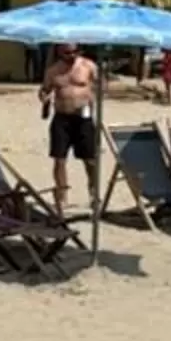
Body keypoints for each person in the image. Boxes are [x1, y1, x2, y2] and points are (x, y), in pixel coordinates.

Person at [42, 43, 101, 216]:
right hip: (62, 117)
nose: (72, 55)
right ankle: (62, 196)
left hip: (84, 117)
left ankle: (94, 193)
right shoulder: (53, 71)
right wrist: (44, 99)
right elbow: (45, 90)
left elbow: (100, 85)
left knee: (90, 159)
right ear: (60, 52)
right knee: (59, 159)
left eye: (75, 51)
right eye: (68, 52)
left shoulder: (88, 66)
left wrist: (93, 96)